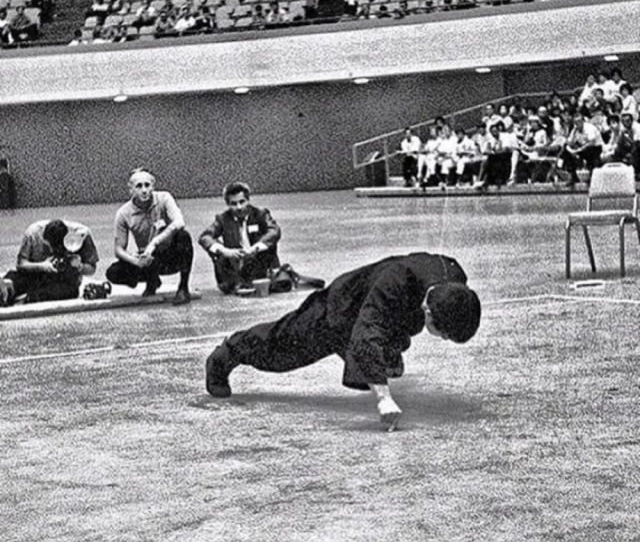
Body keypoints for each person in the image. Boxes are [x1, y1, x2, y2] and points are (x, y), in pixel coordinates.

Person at [204, 252, 481, 432]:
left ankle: (378, 359)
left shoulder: (454, 282)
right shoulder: (395, 282)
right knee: (283, 348)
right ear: (429, 312)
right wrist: (383, 398)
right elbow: (366, 331)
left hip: (391, 313)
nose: (443, 338)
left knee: (384, 353)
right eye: (443, 333)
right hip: (341, 307)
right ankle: (227, 353)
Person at [105, 168, 193, 304]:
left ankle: (183, 288)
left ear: (153, 186)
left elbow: (179, 222)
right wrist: (136, 261)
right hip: (148, 261)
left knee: (183, 236)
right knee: (113, 272)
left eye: (147, 185)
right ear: (131, 190)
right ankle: (152, 280)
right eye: (139, 186)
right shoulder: (123, 213)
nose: (144, 190)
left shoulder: (164, 198)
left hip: (168, 257)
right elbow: (118, 250)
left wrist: (155, 243)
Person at [198, 182, 281, 295]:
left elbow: (274, 231)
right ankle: (233, 283)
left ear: (248, 200)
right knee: (216, 248)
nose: (239, 207)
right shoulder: (222, 219)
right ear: (228, 204)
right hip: (236, 264)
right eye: (234, 204)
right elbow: (205, 237)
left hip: (258, 261)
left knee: (268, 244)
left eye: (242, 202)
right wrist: (225, 251)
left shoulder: (261, 214)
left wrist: (255, 248)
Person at [2, 219, 98, 305]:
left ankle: (29, 298)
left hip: (63, 280)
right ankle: (6, 289)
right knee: (14, 277)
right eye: (49, 248)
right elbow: (21, 264)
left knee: (67, 291)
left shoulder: (82, 235)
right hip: (35, 274)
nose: (52, 252)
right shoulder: (33, 233)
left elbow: (92, 269)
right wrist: (43, 266)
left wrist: (80, 267)